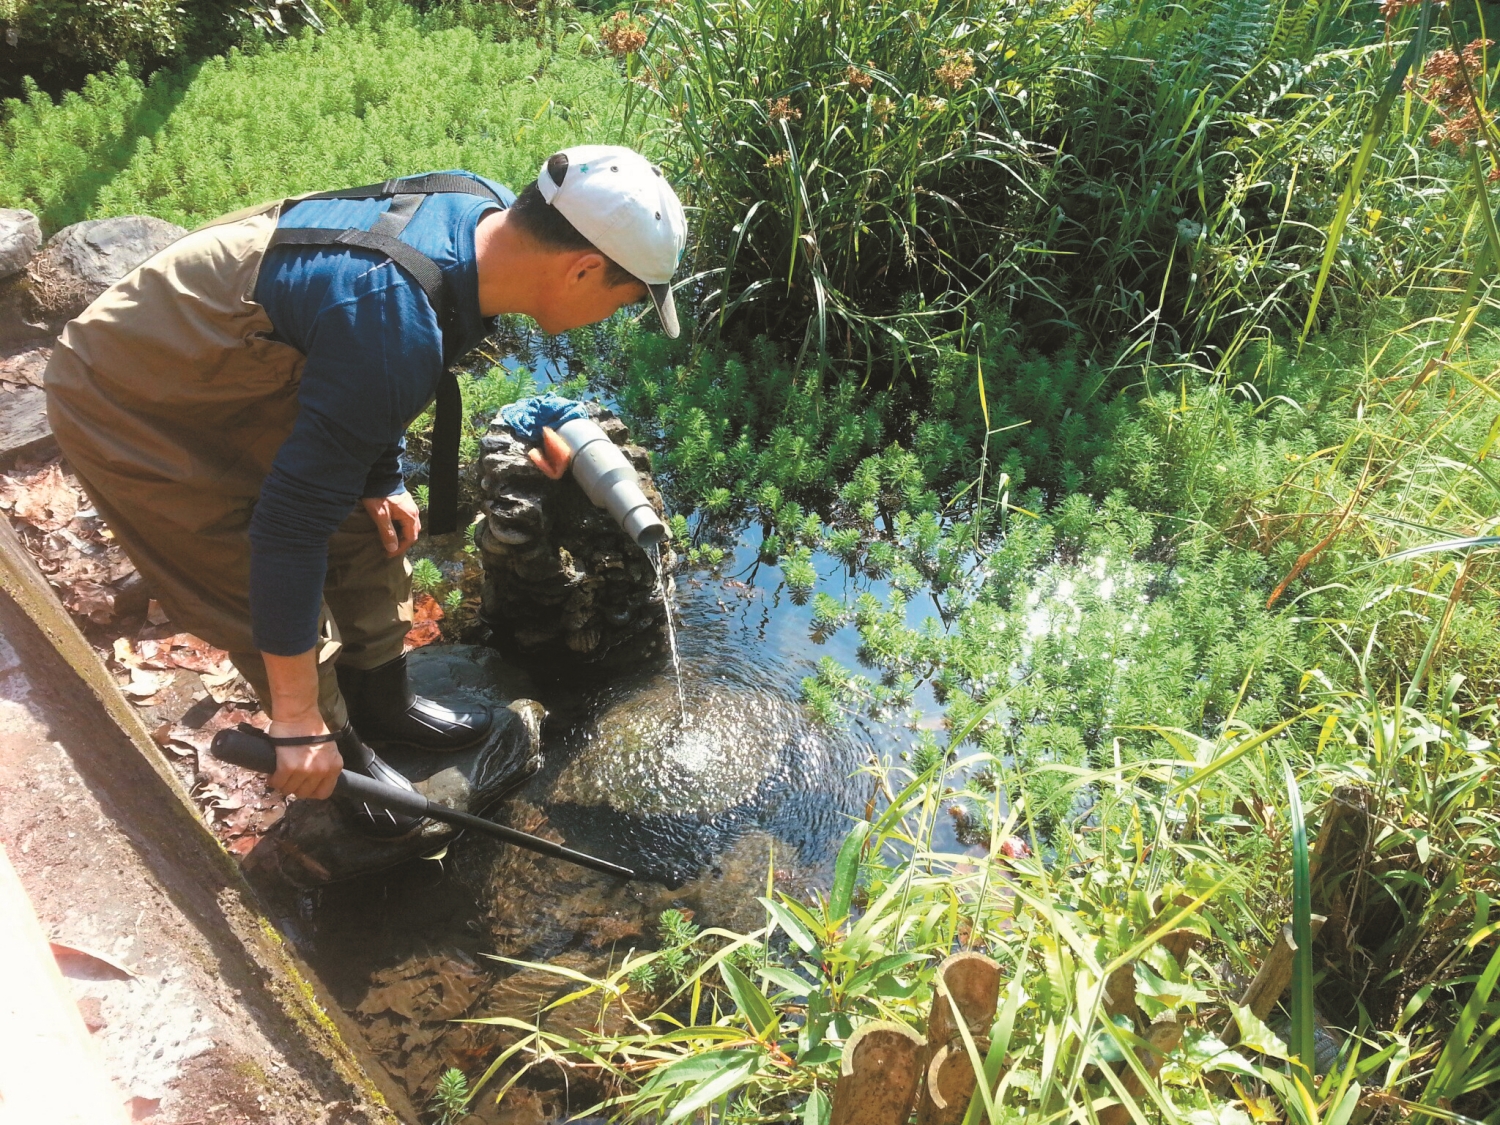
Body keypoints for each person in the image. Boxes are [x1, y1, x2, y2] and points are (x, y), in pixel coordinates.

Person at [44, 144, 688, 835]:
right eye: (627, 298)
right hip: (132, 388)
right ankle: (336, 753)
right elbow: (287, 531)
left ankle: (384, 699)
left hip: (257, 357)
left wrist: (381, 476)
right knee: (240, 564)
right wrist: (294, 722)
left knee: (369, 522)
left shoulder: (482, 217)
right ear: (584, 267)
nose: (620, 315)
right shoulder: (390, 320)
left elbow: (368, 344)